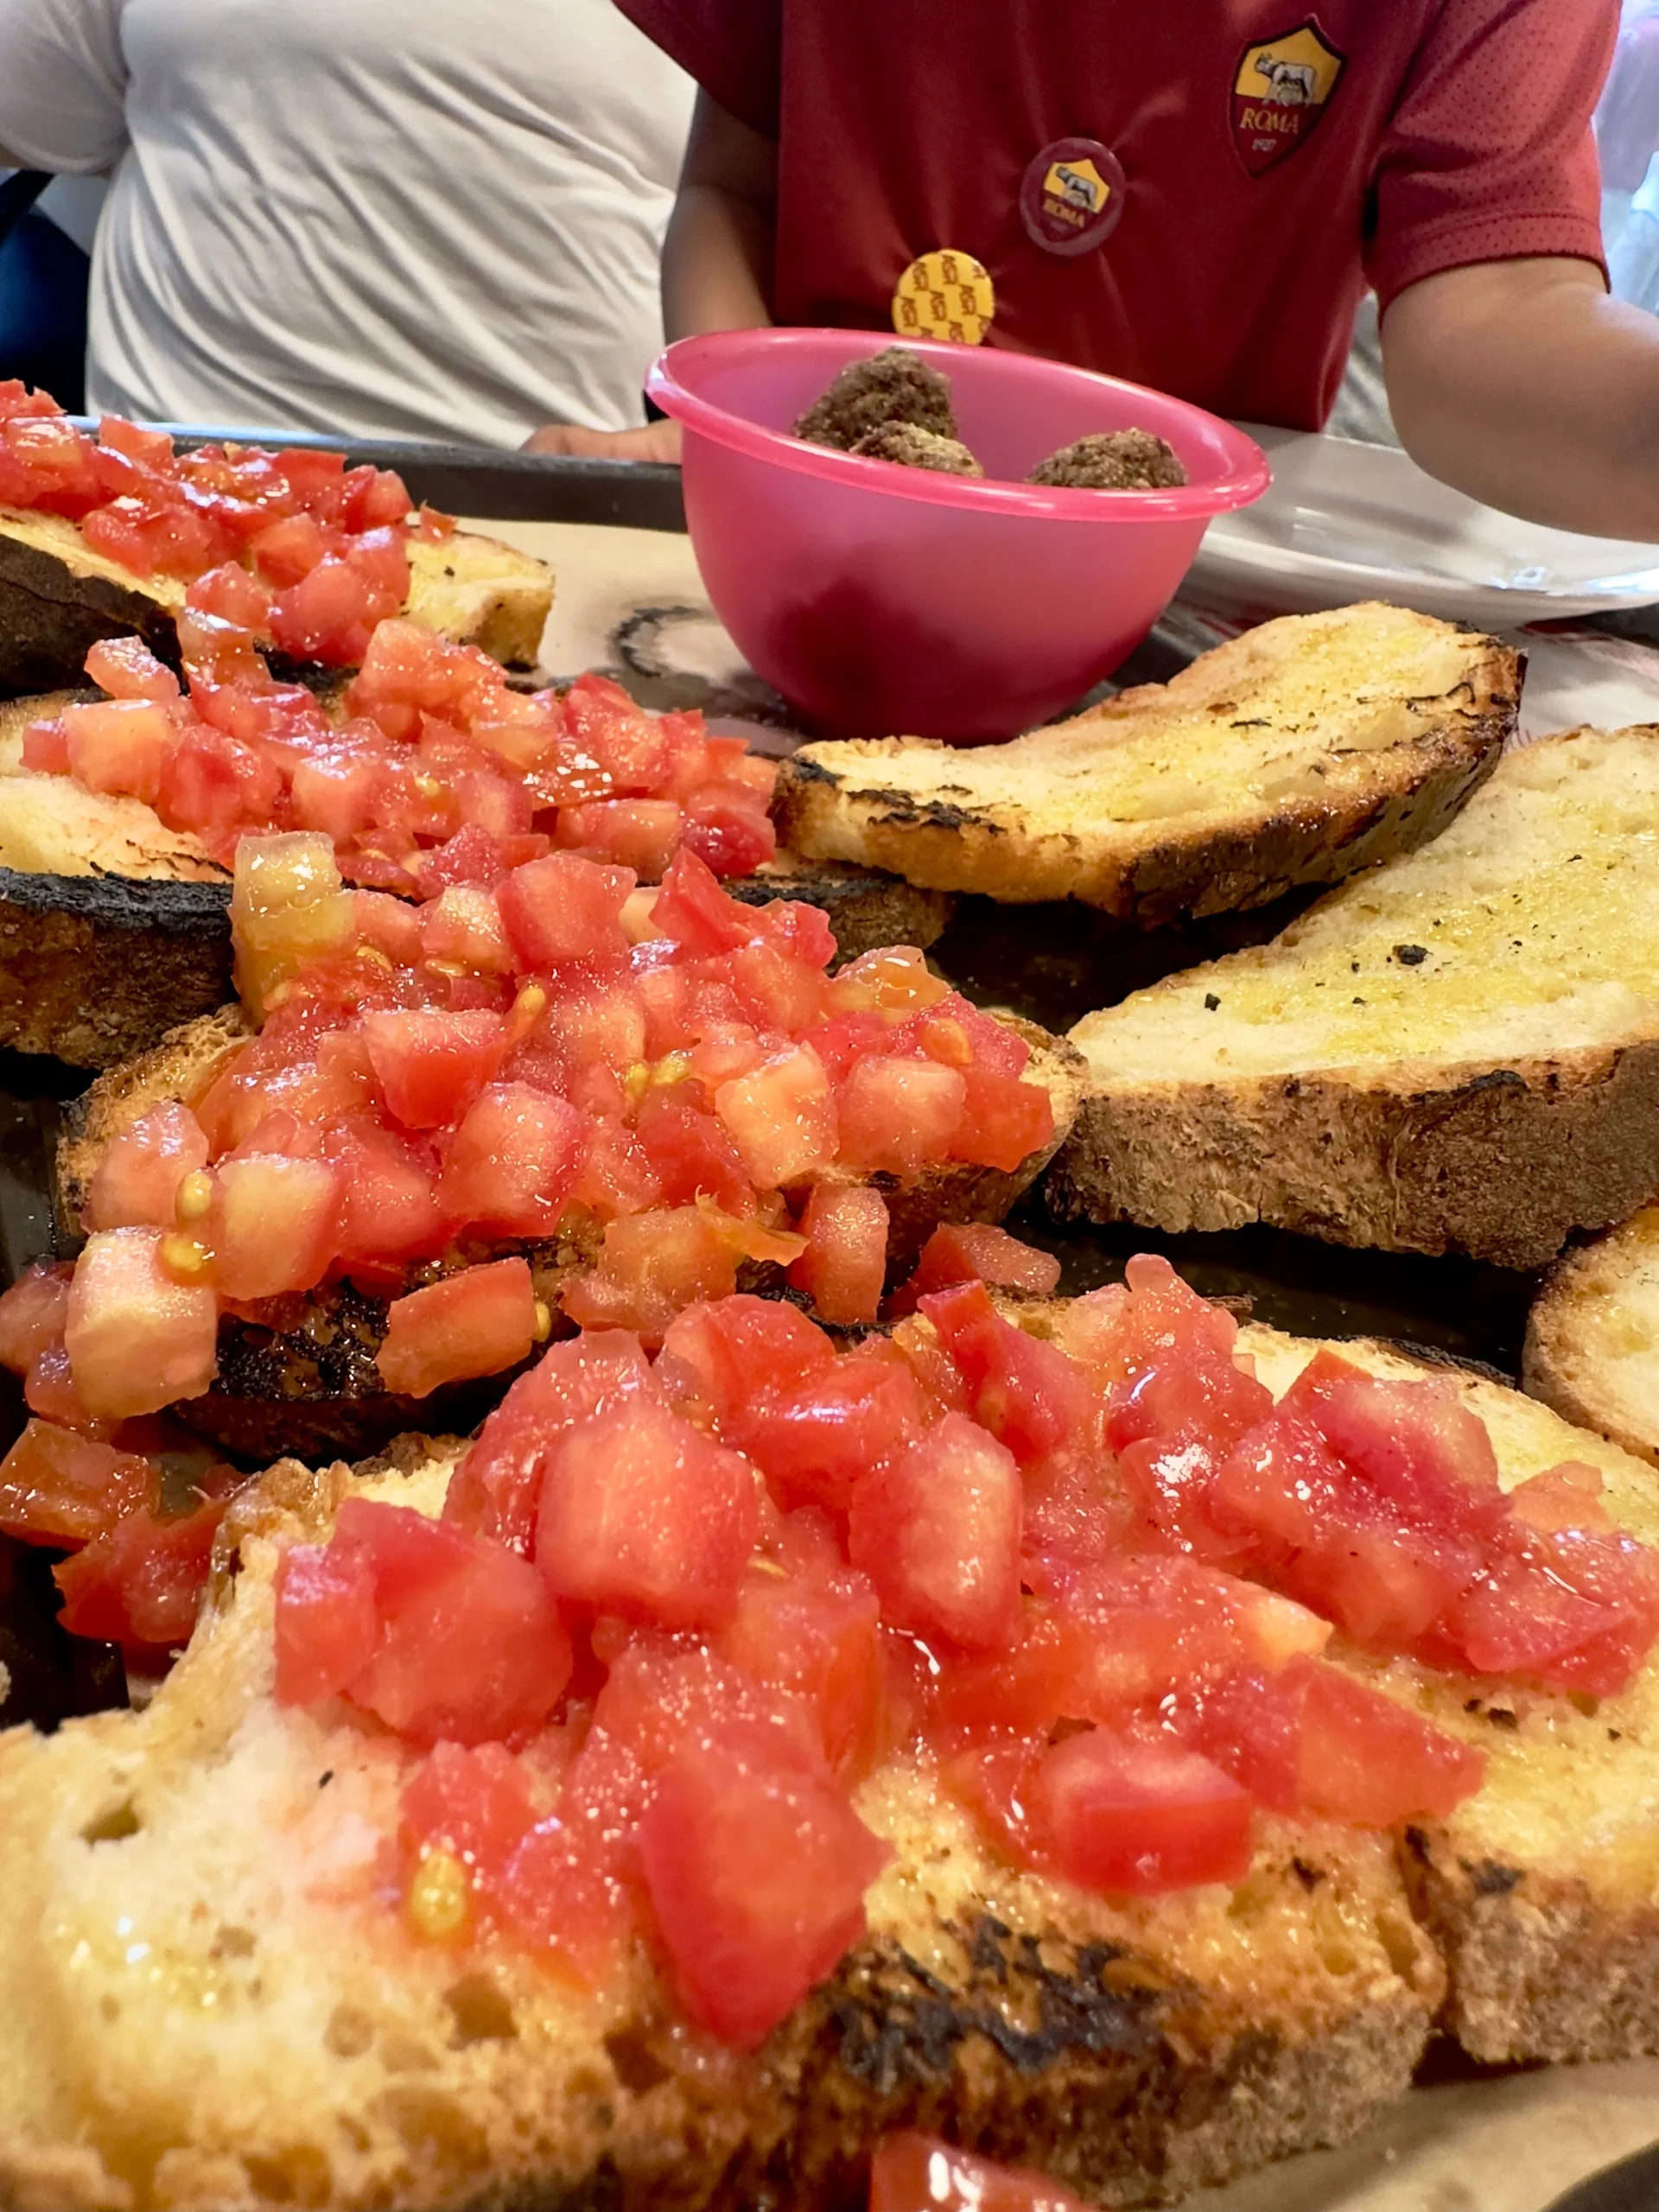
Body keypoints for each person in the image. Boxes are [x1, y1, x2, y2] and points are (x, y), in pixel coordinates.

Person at [564, 0, 1659, 542]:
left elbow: (1497, 311)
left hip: (1185, 631)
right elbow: (733, 189)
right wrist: (728, 441)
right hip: (804, 539)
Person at [0, 0, 694, 447]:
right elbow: (21, 114)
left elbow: (757, 212)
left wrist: (731, 449)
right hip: (175, 511)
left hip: (562, 522)